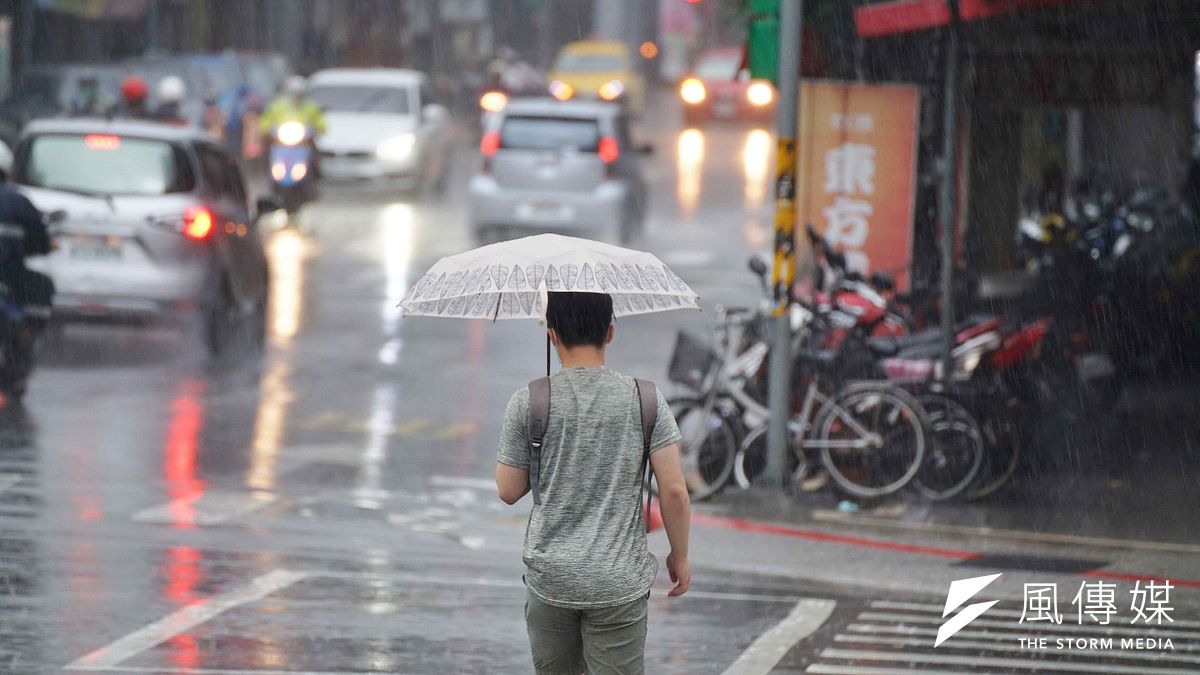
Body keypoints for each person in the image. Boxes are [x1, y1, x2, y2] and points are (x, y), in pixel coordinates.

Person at [495, 291, 692, 675]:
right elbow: (673, 491)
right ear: (611, 332)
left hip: (552, 579)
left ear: (551, 335)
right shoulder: (645, 399)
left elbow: (508, 489)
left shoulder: (530, 401)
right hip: (617, 581)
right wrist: (679, 555)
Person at [0, 150, 54, 325]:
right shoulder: (18, 201)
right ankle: (25, 340)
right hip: (10, 276)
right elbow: (40, 241)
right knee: (41, 287)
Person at [259, 75, 326, 138]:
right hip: (280, 139)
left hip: (305, 141)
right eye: (294, 93)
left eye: (299, 94)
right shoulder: (277, 107)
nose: (296, 96)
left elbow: (320, 124)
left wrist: (314, 130)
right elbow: (265, 121)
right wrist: (270, 129)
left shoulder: (311, 108)